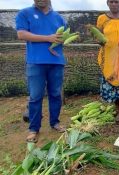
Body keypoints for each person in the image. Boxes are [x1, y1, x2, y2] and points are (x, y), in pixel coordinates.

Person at [15, 0, 67, 143]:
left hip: (56, 62)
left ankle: (55, 123)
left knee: (55, 94)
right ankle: (33, 128)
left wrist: (63, 39)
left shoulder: (59, 17)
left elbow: (64, 37)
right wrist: (48, 38)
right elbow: (21, 34)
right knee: (35, 96)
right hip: (36, 62)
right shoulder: (25, 13)